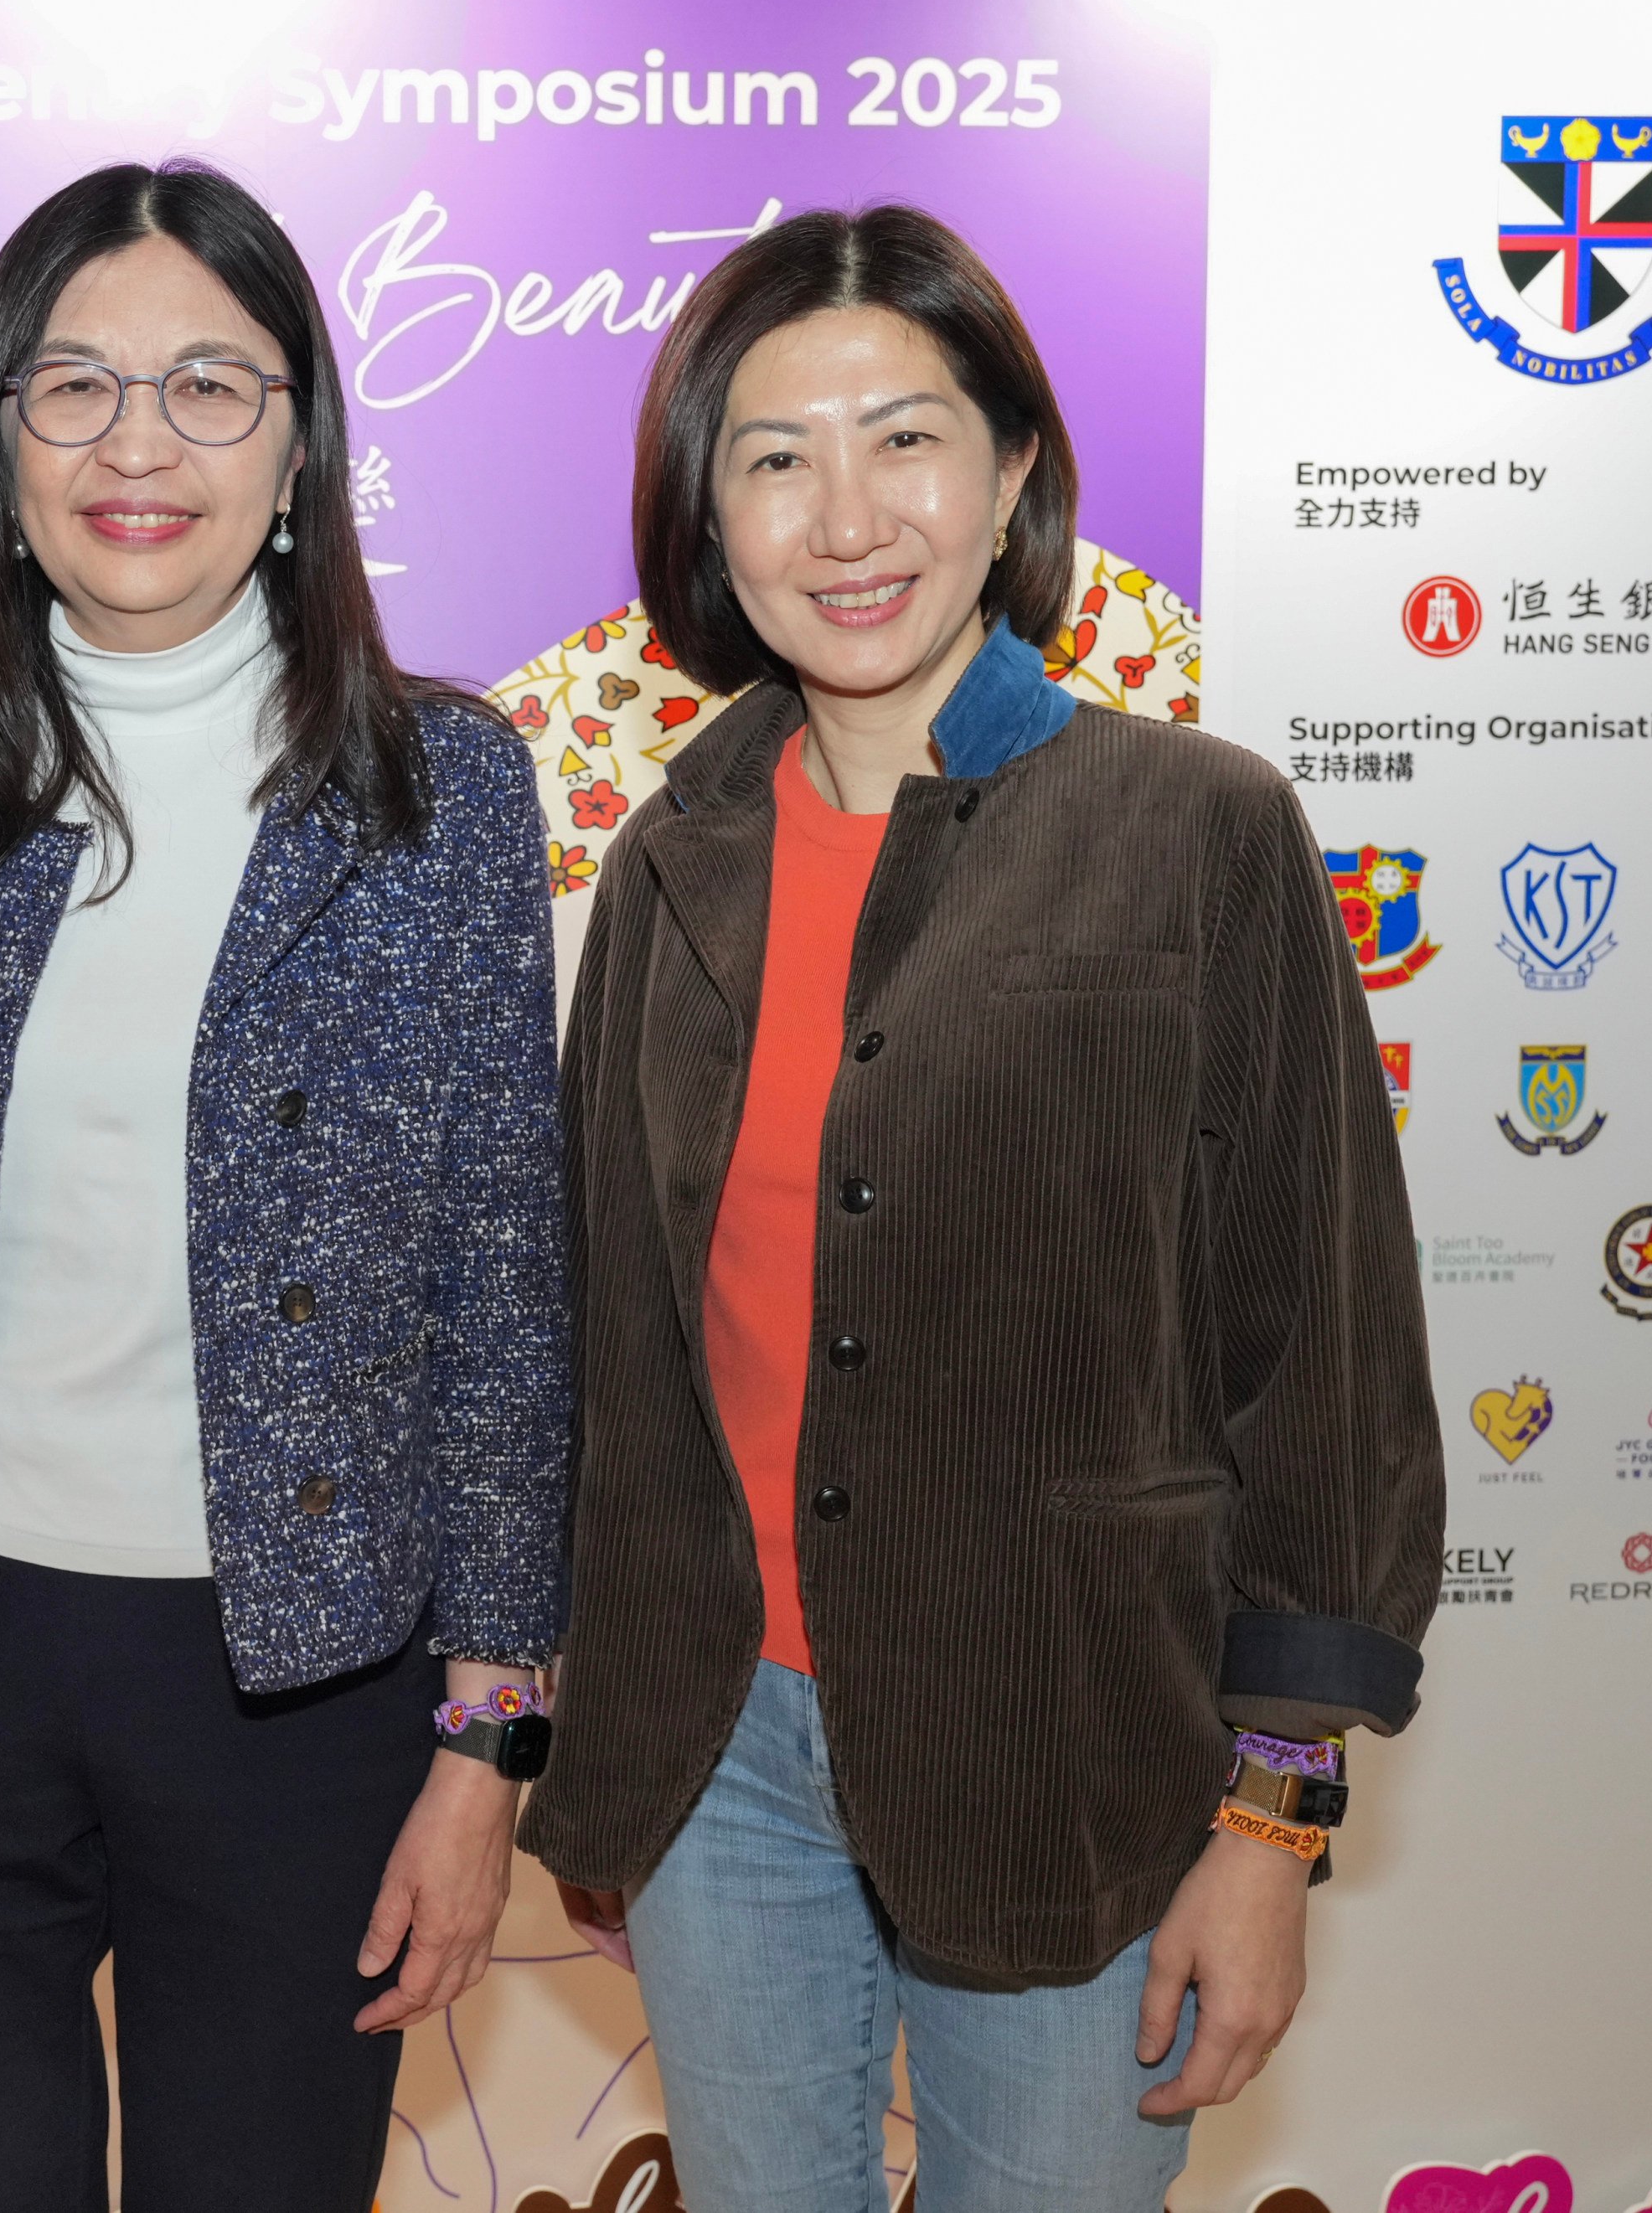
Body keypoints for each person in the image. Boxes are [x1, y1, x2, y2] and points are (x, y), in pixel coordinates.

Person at [519, 204, 1443, 2213]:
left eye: (903, 438)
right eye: (772, 457)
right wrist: (605, 1751)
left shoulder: (1190, 829)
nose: (843, 516)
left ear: (1011, 469)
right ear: (707, 514)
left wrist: (1270, 1826)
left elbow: (1324, 1350)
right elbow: (611, 1356)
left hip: (1071, 1742)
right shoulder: (668, 864)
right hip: (716, 1760)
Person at [0, 159, 571, 2213]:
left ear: (297, 443)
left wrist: (487, 1742)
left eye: (212, 386)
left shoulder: (440, 791)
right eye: (76, 389)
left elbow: (503, 1285)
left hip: (299, 1686)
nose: (140, 444)